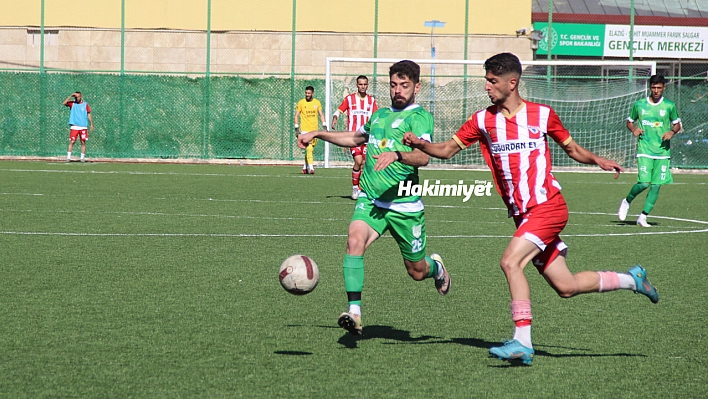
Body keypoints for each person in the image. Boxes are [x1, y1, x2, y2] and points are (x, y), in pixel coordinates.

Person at [403, 52, 659, 365]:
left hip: (548, 206)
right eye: (486, 80)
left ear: (512, 83)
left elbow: (572, 148)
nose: (486, 86)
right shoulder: (483, 120)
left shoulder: (541, 114)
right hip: (524, 215)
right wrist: (420, 144)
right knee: (566, 286)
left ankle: (522, 342)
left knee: (510, 262)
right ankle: (633, 279)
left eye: (492, 81)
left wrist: (597, 159)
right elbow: (445, 150)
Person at [298, 60, 451, 336]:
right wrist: (318, 133)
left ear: (416, 87)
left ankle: (436, 267)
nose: (398, 91)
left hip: (405, 205)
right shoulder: (379, 115)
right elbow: (356, 138)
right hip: (372, 201)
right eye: (393, 85)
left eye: (404, 85)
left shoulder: (420, 117)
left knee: (416, 271)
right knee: (354, 239)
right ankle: (354, 313)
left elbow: (424, 157)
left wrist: (398, 155)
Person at [618, 75, 682, 227]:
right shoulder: (640, 104)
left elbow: (677, 124)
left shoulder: (669, 106)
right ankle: (627, 201)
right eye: (653, 87)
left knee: (656, 185)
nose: (656, 90)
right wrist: (634, 129)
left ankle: (643, 217)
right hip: (645, 149)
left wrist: (671, 132)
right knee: (644, 183)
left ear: (664, 88)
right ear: (650, 87)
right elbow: (629, 121)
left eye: (659, 88)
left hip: (662, 151)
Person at [331, 75, 379, 199]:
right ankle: (355, 188)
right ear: (357, 85)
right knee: (358, 161)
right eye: (360, 84)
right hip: (353, 137)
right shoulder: (349, 99)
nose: (363, 86)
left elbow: (376, 117)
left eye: (365, 84)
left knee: (363, 163)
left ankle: (361, 188)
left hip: (367, 137)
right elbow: (339, 110)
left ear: (367, 85)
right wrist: (335, 118)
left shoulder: (372, 101)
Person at [294, 86, 327, 174]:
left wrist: (324, 126)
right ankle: (311, 168)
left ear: (312, 93)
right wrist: (296, 129)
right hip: (305, 130)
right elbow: (296, 115)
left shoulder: (317, 103)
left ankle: (305, 167)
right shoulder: (301, 102)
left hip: (314, 131)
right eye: (306, 93)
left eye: (309, 93)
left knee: (310, 149)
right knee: (308, 149)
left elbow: (321, 114)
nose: (307, 95)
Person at [63, 91, 94, 162]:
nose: (77, 98)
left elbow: (89, 114)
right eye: (76, 97)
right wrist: (70, 95)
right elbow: (64, 103)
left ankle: (82, 158)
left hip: (83, 126)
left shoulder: (85, 104)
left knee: (83, 142)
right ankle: (68, 157)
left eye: (78, 96)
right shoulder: (72, 104)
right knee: (72, 141)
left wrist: (91, 123)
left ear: (81, 96)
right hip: (74, 126)